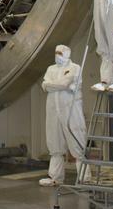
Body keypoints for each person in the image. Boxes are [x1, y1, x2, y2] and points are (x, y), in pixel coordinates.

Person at [38, 45, 86, 186]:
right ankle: (55, 177)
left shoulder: (75, 68)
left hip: (70, 109)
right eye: (56, 53)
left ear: (66, 54)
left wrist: (52, 85)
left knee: (76, 137)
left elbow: (64, 84)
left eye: (60, 53)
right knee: (54, 141)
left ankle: (84, 178)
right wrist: (56, 85)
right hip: (53, 109)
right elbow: (44, 85)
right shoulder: (51, 69)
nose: (57, 55)